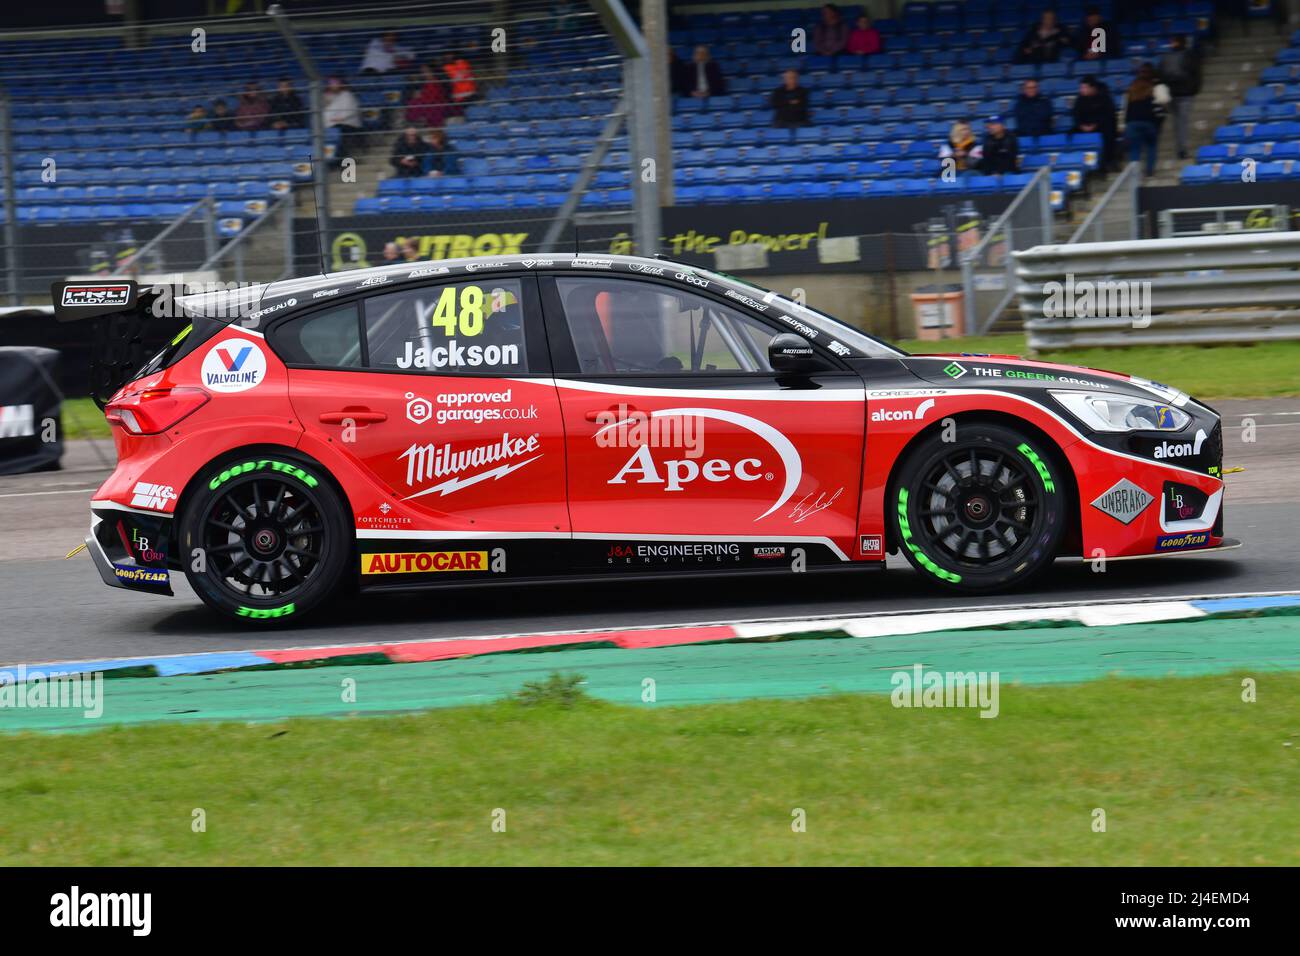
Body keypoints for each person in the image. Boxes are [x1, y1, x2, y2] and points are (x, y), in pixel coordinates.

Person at [1159, 36, 1201, 159]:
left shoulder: (1166, 57)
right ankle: (1182, 149)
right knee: (1182, 122)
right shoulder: (1189, 55)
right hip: (1185, 94)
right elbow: (1196, 73)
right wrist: (1194, 89)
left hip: (1172, 93)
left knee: (1177, 123)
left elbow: (1160, 74)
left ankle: (1180, 148)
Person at [1124, 64, 1163, 176]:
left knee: (1134, 149)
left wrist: (1124, 124)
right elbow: (1161, 102)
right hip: (1149, 122)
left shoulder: (1131, 88)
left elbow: (1125, 107)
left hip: (1132, 122)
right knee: (1151, 146)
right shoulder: (1153, 87)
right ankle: (1150, 171)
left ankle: (1134, 174)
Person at [1072, 75, 1119, 169]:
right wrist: (1081, 126)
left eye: (1084, 87)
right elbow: (1076, 115)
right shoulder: (1080, 99)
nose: (1082, 90)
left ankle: (1107, 162)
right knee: (1071, 134)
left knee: (1108, 133)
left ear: (1092, 88)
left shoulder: (1104, 97)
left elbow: (1109, 115)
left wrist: (1096, 125)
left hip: (1102, 127)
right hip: (1084, 127)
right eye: (1081, 87)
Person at [323, 76, 364, 155]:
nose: (333, 85)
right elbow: (324, 113)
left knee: (340, 132)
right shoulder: (326, 96)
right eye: (331, 83)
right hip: (331, 124)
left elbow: (352, 111)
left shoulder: (347, 95)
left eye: (335, 83)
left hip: (348, 123)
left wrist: (340, 118)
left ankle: (343, 155)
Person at [406, 63, 450, 130]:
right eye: (423, 72)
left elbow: (433, 97)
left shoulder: (436, 82)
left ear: (432, 72)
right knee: (413, 102)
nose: (424, 74)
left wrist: (420, 98)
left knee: (414, 103)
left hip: (436, 106)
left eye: (426, 71)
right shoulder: (427, 83)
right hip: (428, 104)